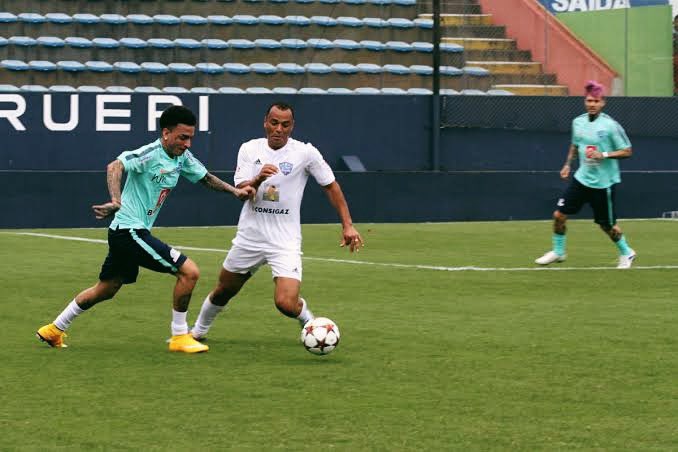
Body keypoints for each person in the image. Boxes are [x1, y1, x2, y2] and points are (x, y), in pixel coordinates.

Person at [36, 105, 255, 352]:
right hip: (129, 230)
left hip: (127, 232)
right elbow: (114, 167)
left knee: (107, 289)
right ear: (166, 133)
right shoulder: (149, 154)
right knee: (189, 272)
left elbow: (205, 178)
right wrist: (117, 201)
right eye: (183, 137)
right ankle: (180, 336)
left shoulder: (182, 158)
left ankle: (54, 329)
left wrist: (235, 191)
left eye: (191, 137)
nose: (188, 143)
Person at [189, 102, 363, 341]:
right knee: (224, 290)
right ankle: (197, 332)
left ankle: (311, 325)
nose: (279, 129)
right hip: (250, 236)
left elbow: (331, 186)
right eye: (274, 123)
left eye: (285, 124)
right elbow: (242, 191)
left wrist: (347, 225)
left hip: (284, 240)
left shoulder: (305, 153)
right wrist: (258, 178)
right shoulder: (250, 149)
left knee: (285, 303)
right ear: (265, 123)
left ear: (292, 126)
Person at [535, 81, 636, 269]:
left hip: (603, 184)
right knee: (559, 215)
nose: (592, 104)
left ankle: (627, 252)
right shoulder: (578, 122)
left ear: (603, 103)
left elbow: (627, 151)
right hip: (582, 179)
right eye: (589, 100)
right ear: (585, 101)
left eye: (596, 101)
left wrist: (603, 155)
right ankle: (558, 252)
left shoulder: (610, 126)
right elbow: (575, 145)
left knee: (607, 226)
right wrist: (567, 165)